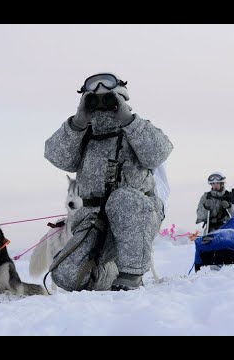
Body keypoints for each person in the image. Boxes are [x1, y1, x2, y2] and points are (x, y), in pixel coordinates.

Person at [44, 73, 173, 291]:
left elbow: (158, 153)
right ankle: (111, 273)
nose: (103, 104)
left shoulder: (137, 128)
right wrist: (78, 122)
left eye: (109, 98)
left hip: (137, 214)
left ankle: (131, 274)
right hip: (94, 218)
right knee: (65, 274)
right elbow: (56, 156)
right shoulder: (84, 135)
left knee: (122, 199)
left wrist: (128, 120)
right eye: (95, 99)